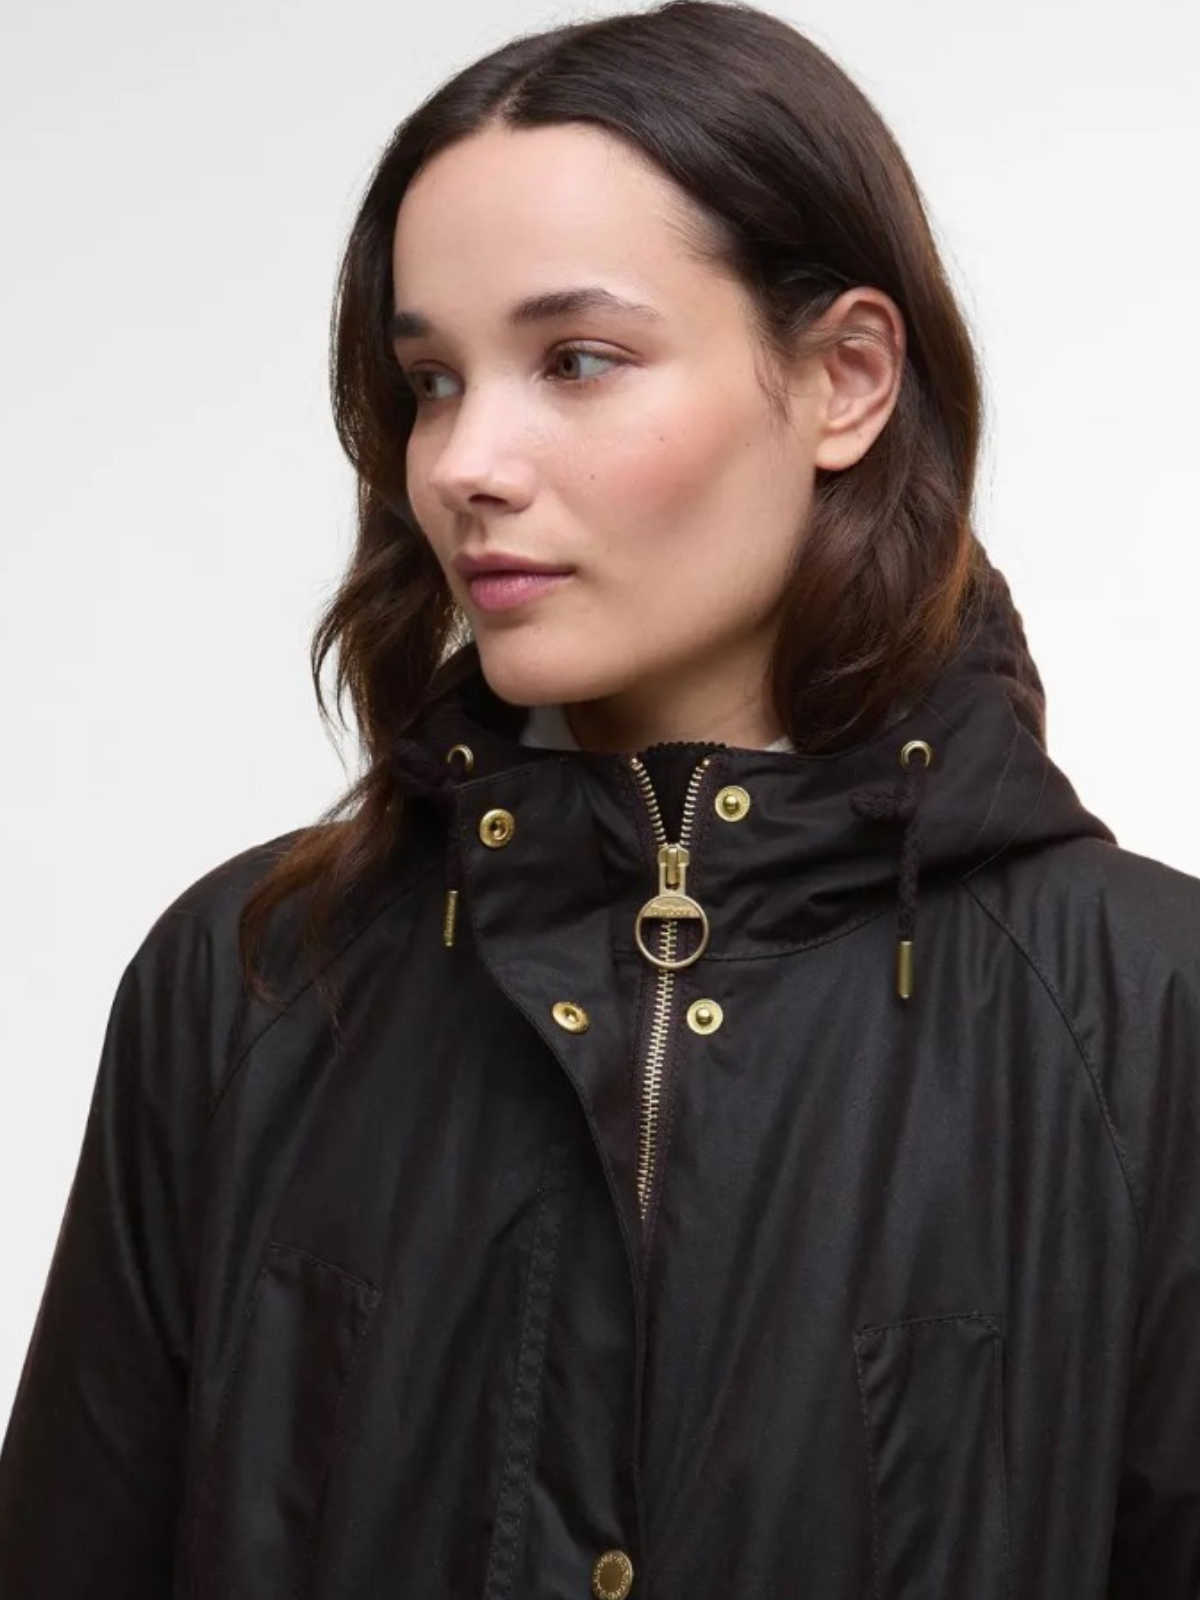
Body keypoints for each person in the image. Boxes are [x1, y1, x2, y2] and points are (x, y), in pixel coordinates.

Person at [1, 1, 1197, 1595]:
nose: (462, 463)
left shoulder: (1146, 1014)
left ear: (846, 379)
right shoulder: (250, 982)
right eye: (432, 379)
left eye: (576, 360)